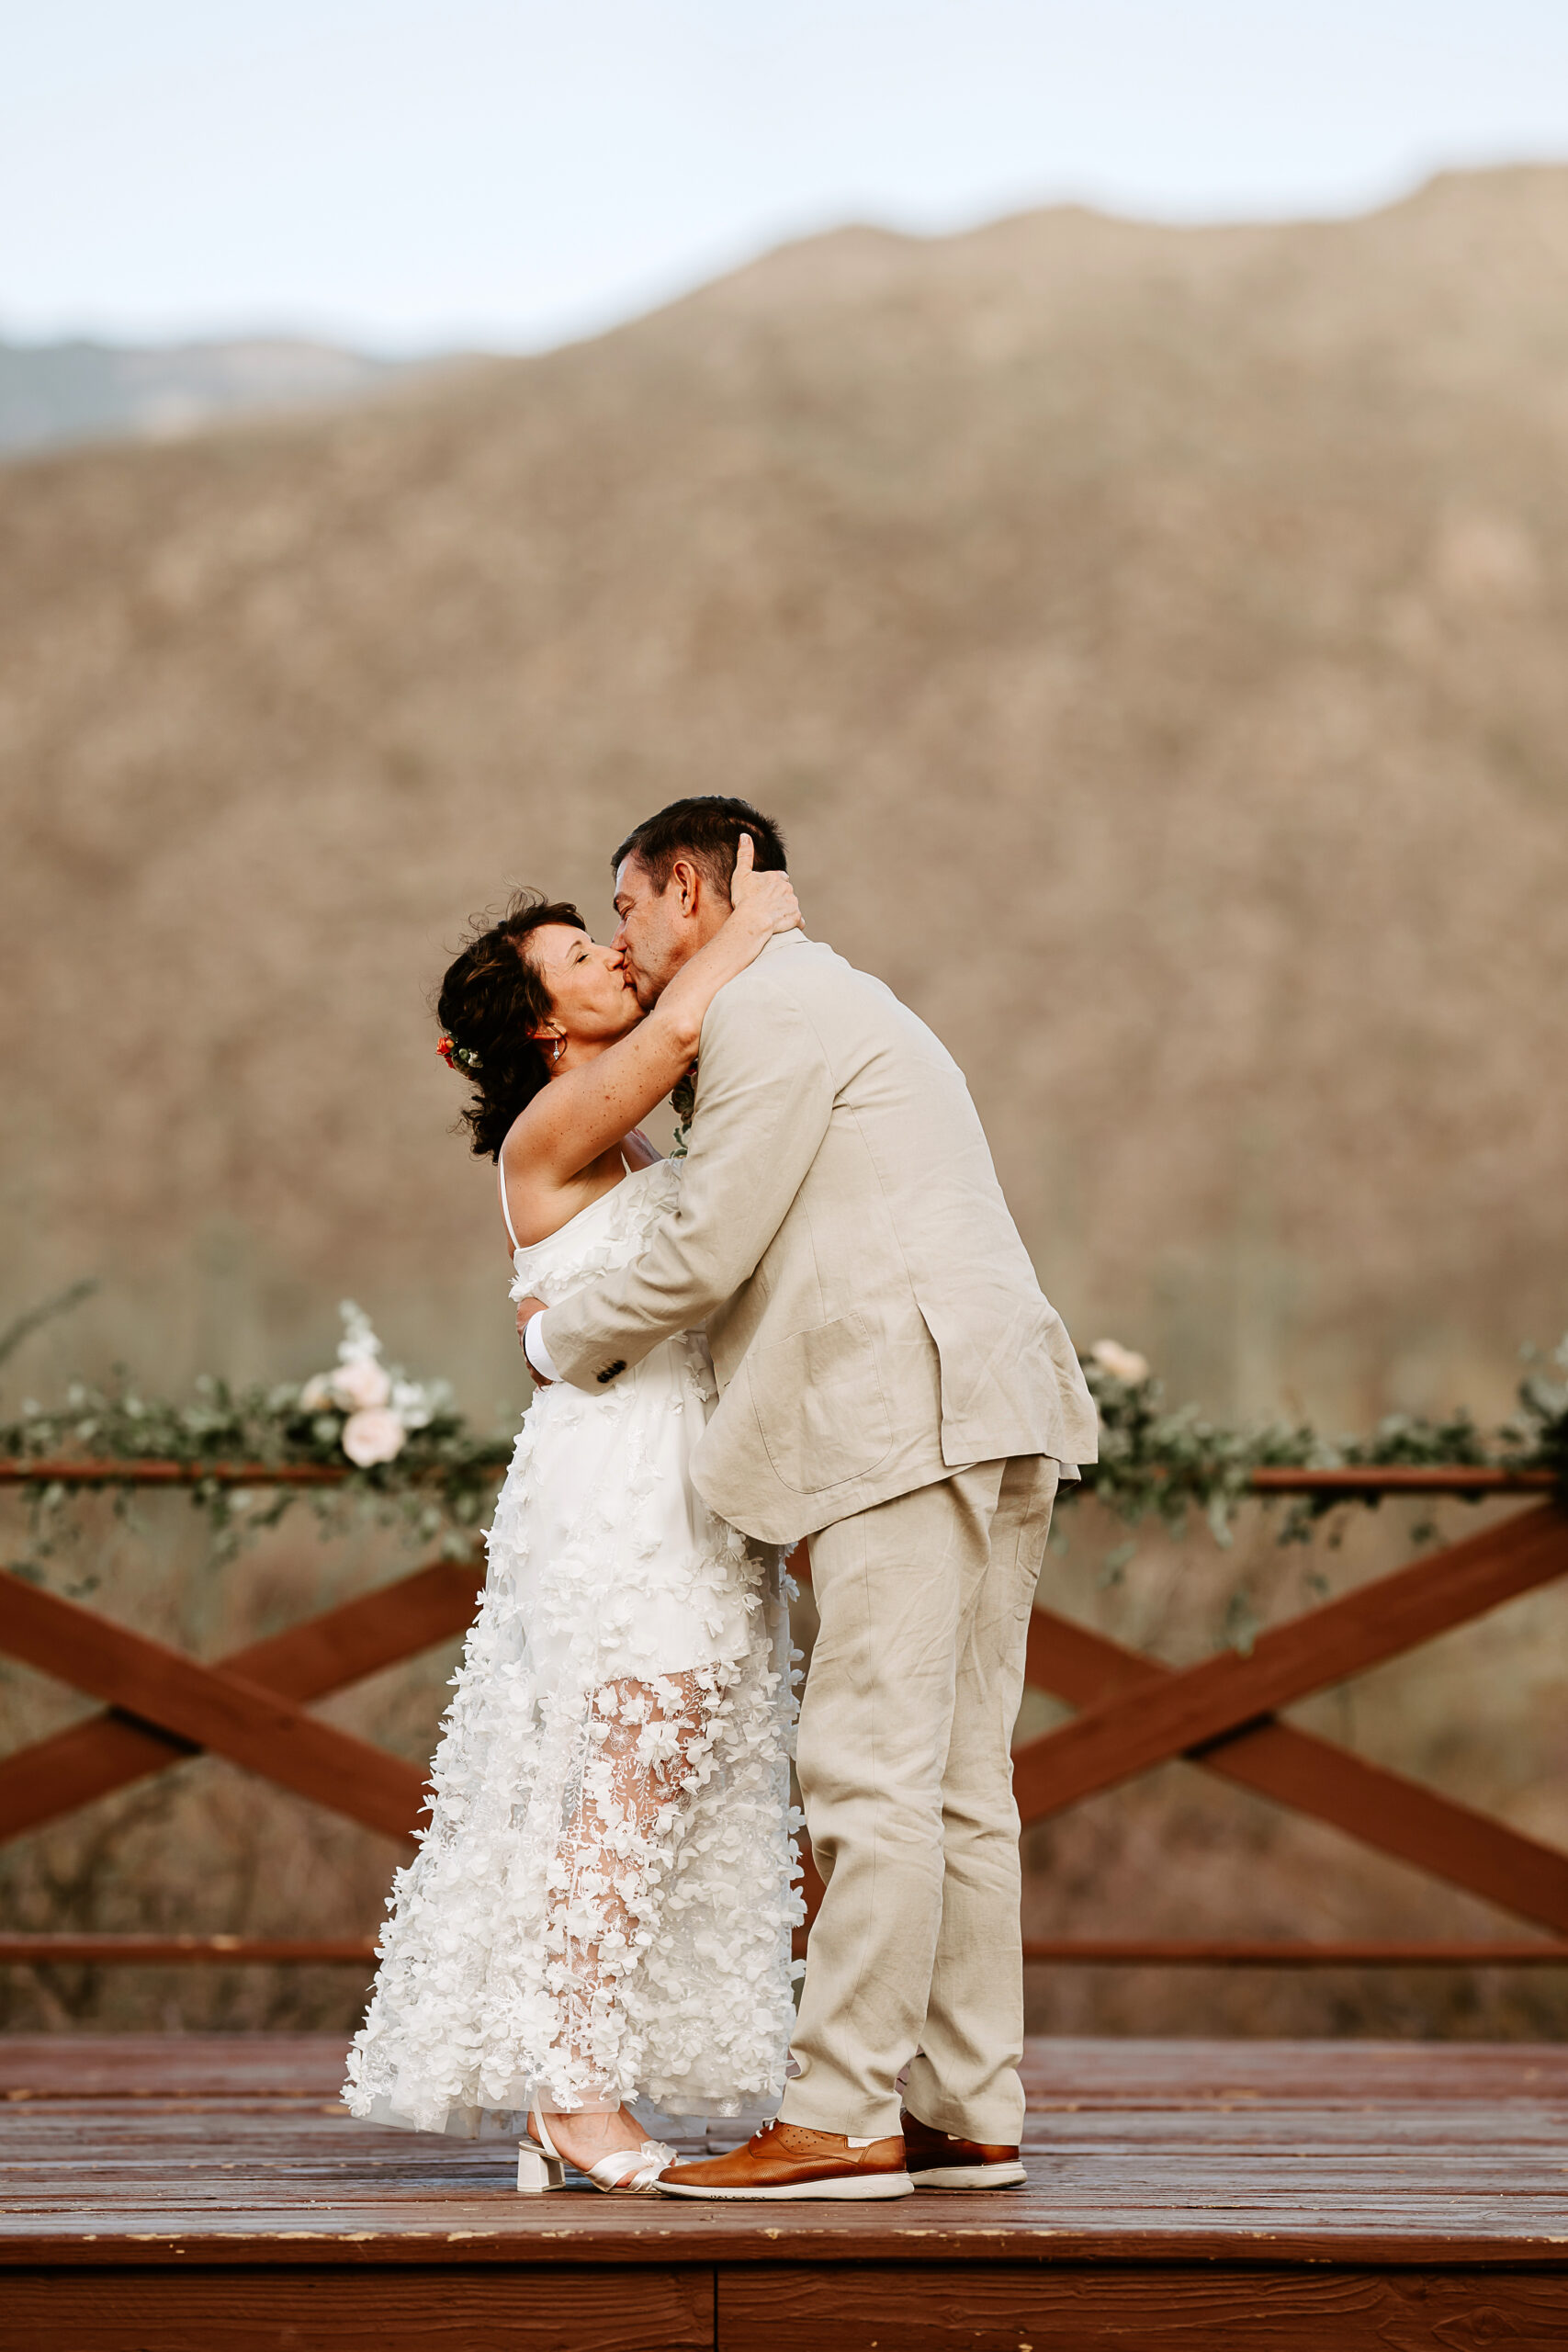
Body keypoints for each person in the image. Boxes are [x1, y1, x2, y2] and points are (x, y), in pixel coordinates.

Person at [516, 796, 1098, 2202]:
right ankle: (966, 2108)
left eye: (633, 913)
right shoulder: (835, 994)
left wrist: (559, 1336)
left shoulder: (772, 1012)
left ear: (686, 892)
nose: (629, 943)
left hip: (906, 1412)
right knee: (958, 1783)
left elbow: (710, 1245)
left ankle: (841, 2118)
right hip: (991, 1402)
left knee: (872, 1778)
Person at [344, 841, 806, 2195]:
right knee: (617, 1792)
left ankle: (586, 2078)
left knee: (660, 1788)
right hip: (617, 1488)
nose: (613, 955)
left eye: (601, 939)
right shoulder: (556, 1129)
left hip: (686, 1478)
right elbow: (677, 1026)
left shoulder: (625, 1128)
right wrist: (755, 919)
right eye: (580, 955)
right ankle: (573, 2096)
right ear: (545, 1026)